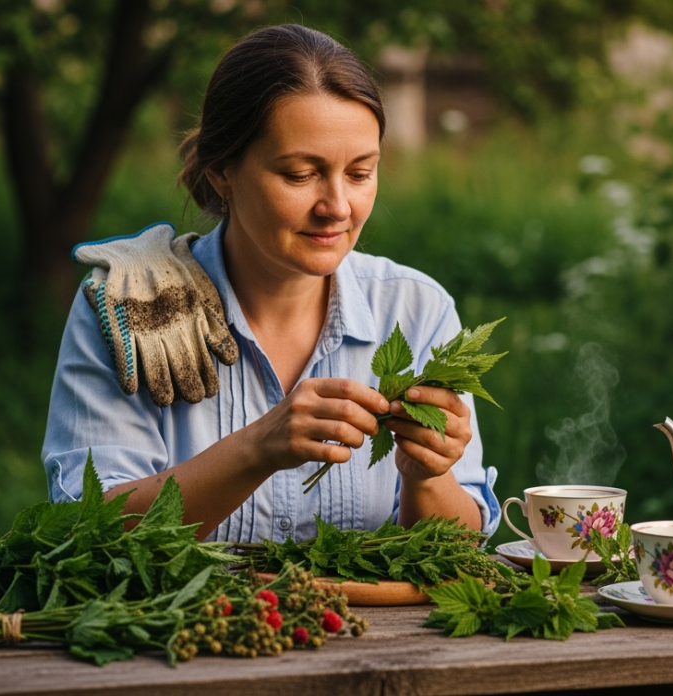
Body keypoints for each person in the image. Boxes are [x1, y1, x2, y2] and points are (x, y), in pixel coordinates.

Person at [41, 24, 499, 543]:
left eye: (360, 173)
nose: (337, 208)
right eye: (300, 174)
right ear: (221, 172)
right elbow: (87, 531)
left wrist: (428, 476)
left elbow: (453, 551)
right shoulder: (133, 310)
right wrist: (255, 449)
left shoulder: (416, 310)